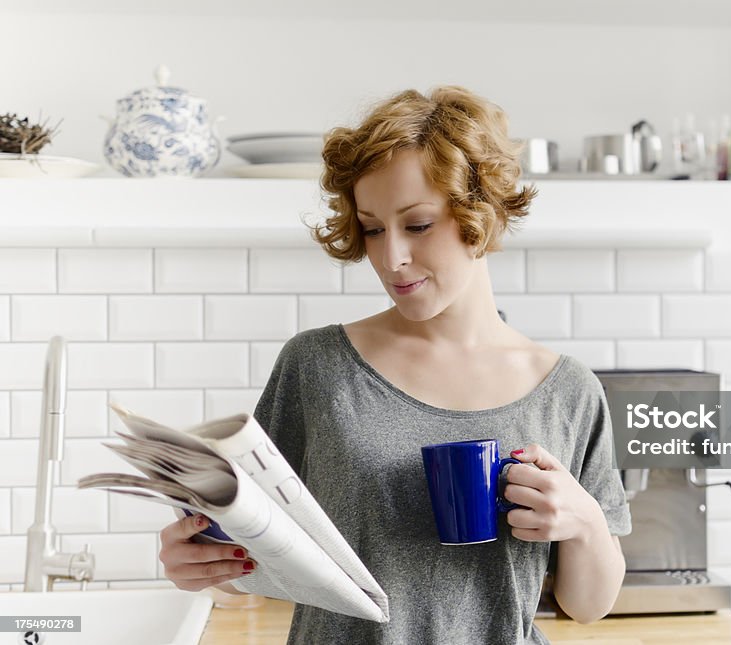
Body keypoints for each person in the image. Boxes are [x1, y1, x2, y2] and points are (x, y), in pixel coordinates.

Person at [157, 86, 631, 644]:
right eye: (375, 228)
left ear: (479, 213)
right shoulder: (318, 367)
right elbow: (258, 550)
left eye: (419, 225)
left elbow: (589, 604)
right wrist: (202, 564)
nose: (391, 257)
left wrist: (586, 524)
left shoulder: (566, 389)